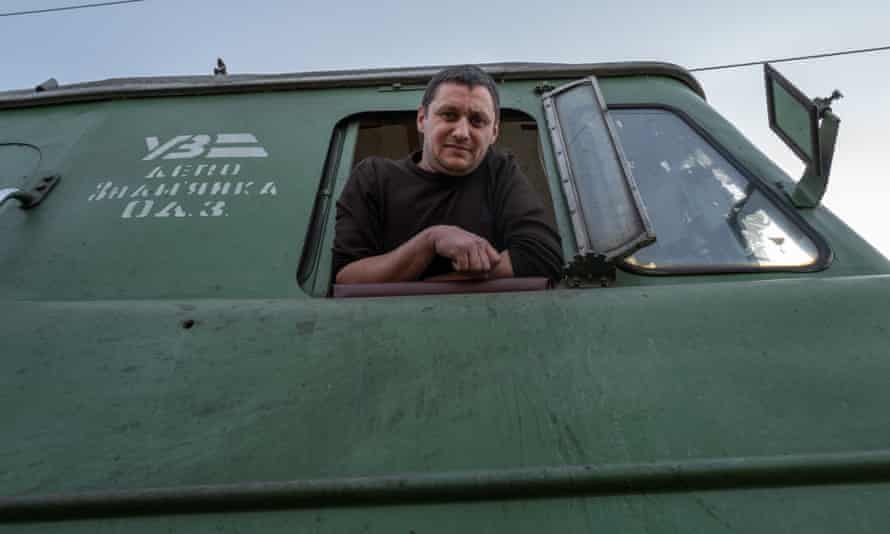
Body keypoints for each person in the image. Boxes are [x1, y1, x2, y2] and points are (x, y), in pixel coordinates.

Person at [333, 65, 563, 284]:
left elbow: (542, 256)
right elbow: (347, 276)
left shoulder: (500, 170)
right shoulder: (374, 177)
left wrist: (439, 285)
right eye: (449, 115)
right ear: (422, 119)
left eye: (477, 121)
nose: (462, 132)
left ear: (493, 132)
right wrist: (430, 240)